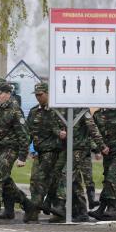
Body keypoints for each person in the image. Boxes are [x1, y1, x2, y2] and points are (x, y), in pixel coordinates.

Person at [0, 83, 34, 224]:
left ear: (7, 94)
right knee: (6, 181)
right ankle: (27, 204)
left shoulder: (15, 110)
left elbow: (24, 135)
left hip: (11, 149)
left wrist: (22, 157)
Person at [26, 83, 66, 222]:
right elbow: (28, 132)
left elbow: (65, 129)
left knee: (46, 180)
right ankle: (37, 209)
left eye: (40, 95)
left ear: (48, 93)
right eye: (36, 95)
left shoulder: (58, 111)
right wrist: (26, 150)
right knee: (36, 180)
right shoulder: (33, 112)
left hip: (55, 151)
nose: (38, 98)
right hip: (39, 152)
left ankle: (38, 210)